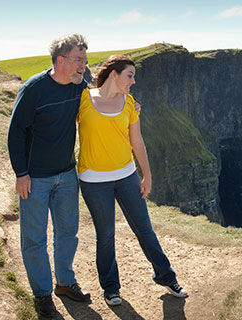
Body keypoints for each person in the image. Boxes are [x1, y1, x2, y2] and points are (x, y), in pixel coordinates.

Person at [76, 55, 188, 306]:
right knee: (105, 235)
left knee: (144, 230)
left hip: (127, 176)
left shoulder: (129, 104)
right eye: (129, 75)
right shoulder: (83, 99)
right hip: (93, 180)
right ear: (114, 74)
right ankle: (111, 288)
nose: (134, 81)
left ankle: (166, 277)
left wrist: (146, 174)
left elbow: (137, 141)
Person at [7, 34, 92, 318]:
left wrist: (132, 105)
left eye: (85, 60)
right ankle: (42, 295)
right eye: (79, 60)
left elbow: (106, 94)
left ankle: (65, 283)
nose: (84, 65)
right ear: (60, 60)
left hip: (67, 174)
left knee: (68, 232)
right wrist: (21, 174)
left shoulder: (79, 84)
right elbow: (15, 132)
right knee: (34, 239)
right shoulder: (34, 89)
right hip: (36, 178)